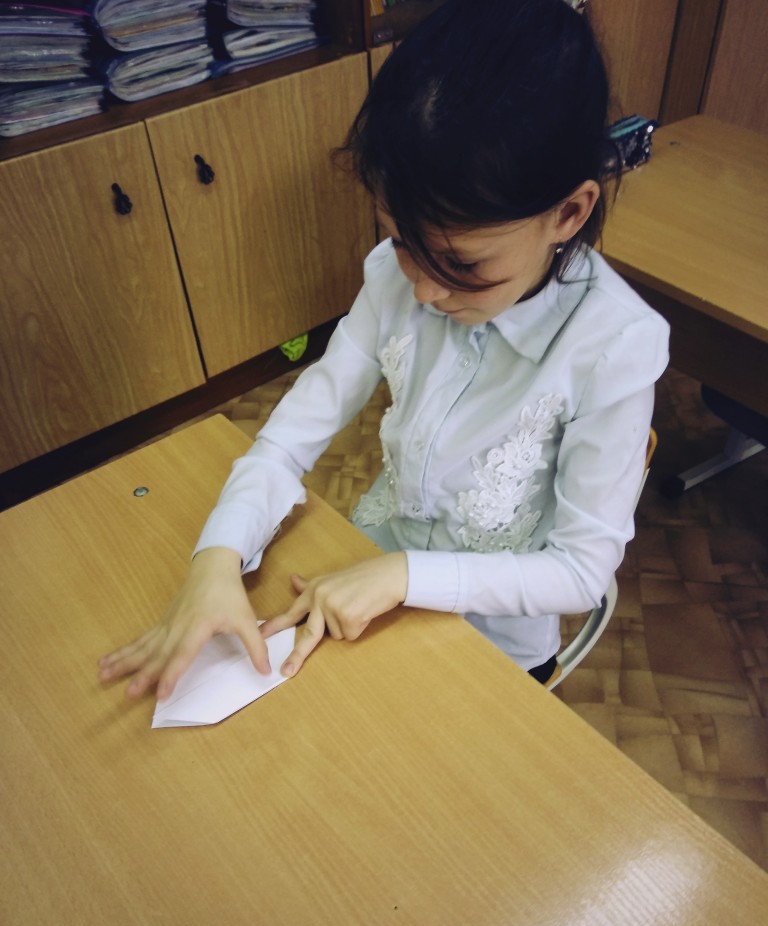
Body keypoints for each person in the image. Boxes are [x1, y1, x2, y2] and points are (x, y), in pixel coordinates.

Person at [99, 0, 668, 699]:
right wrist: (217, 555)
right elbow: (290, 438)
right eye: (401, 241)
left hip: (491, 651)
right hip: (365, 582)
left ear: (569, 213)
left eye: (461, 264)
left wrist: (404, 576)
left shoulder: (614, 348)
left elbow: (579, 572)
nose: (423, 289)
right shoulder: (393, 282)